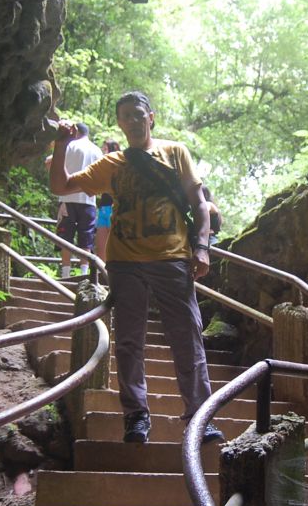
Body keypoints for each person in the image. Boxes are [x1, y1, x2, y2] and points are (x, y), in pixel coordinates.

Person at [47, 91, 221, 444]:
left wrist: (202, 249)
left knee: (187, 338)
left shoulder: (175, 152)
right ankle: (136, 416)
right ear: (119, 122)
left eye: (138, 114)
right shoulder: (112, 164)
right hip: (125, 263)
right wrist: (61, 144)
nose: (133, 120)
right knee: (129, 341)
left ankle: (199, 415)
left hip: (172, 258)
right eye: (126, 115)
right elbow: (61, 186)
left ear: (150, 117)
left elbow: (199, 204)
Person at [49, 122, 103, 278]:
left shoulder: (69, 146)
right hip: (88, 200)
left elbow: (49, 162)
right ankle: (84, 274)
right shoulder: (97, 150)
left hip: (67, 199)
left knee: (66, 237)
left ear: (76, 131)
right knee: (86, 238)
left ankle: (66, 274)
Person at [95, 138, 121, 260]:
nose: (103, 151)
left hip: (114, 209)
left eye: (105, 149)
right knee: (100, 249)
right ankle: (102, 272)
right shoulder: (102, 167)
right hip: (103, 209)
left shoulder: (119, 166)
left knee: (115, 248)